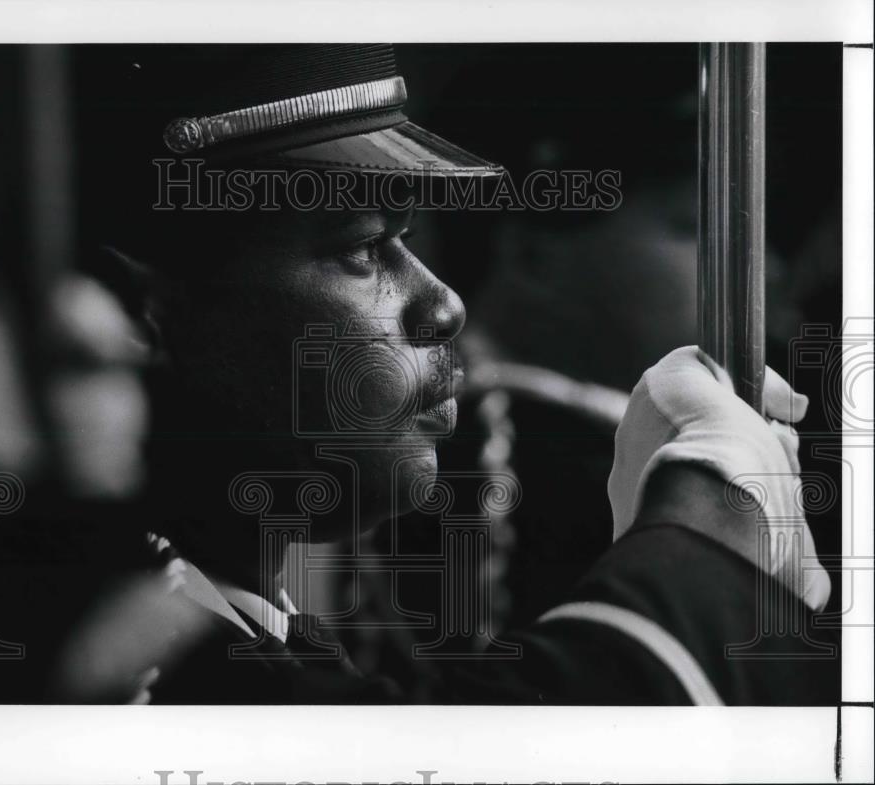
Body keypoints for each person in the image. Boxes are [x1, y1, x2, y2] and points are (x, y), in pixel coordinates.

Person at [51, 44, 836, 705]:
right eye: (363, 248)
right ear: (132, 315)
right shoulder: (104, 667)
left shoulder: (244, 635)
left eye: (410, 238)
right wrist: (700, 542)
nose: (441, 302)